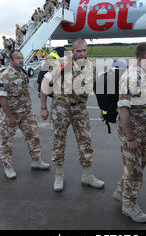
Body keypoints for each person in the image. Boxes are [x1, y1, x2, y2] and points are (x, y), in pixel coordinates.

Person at [40, 38, 104, 192]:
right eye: (78, 51)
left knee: (86, 141)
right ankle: (59, 174)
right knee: (59, 141)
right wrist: (43, 107)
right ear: (72, 51)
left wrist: (104, 108)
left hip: (80, 109)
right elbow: (44, 82)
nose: (82, 54)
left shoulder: (92, 66)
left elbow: (99, 88)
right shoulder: (62, 63)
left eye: (84, 50)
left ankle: (87, 175)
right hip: (61, 108)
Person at [112, 42, 146, 223]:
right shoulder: (132, 76)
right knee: (134, 169)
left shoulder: (142, 73)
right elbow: (123, 110)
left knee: (140, 162)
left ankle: (120, 191)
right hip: (131, 131)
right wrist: (130, 138)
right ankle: (129, 204)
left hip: (140, 129)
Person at [0, 50, 50, 179]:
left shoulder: (22, 73)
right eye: (17, 58)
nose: (21, 60)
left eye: (22, 58)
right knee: (6, 142)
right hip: (11, 114)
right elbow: (2, 98)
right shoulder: (5, 76)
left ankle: (36, 160)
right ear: (11, 61)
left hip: (26, 113)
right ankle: (8, 166)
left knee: (33, 136)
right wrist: (10, 117)